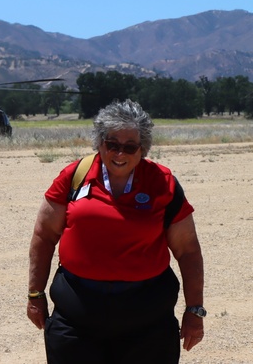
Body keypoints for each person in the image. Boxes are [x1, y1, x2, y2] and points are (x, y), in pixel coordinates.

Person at [26, 99, 205, 363]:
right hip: (77, 318)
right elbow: (44, 236)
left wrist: (194, 310)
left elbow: (188, 250)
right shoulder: (74, 176)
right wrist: (35, 294)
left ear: (142, 149)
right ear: (99, 143)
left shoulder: (162, 183)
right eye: (112, 144)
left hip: (147, 320)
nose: (120, 154)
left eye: (130, 147)